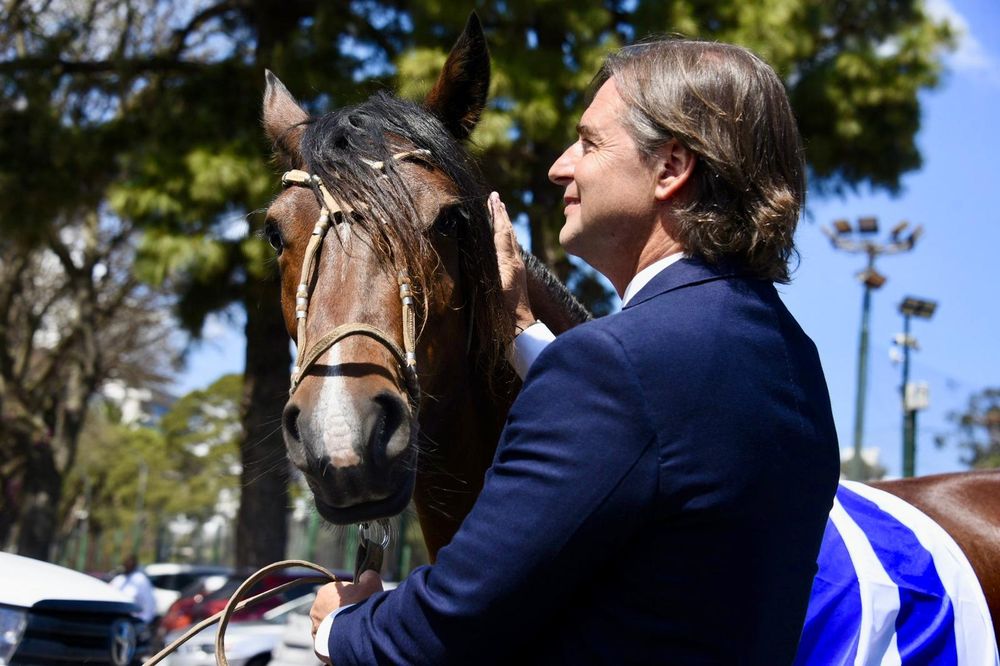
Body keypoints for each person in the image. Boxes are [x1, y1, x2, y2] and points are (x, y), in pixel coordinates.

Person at [311, 37, 840, 664]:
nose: (561, 167)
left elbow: (448, 626)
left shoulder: (615, 369)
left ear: (671, 168)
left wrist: (339, 628)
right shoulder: (790, 358)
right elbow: (661, 440)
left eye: (589, 144)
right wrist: (526, 337)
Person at [110, 553, 157, 624]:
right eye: (126, 562)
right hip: (114, 621)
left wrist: (142, 622)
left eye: (130, 562)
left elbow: (149, 604)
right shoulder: (119, 579)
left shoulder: (141, 580)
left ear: (135, 564)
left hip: (133, 622)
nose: (127, 564)